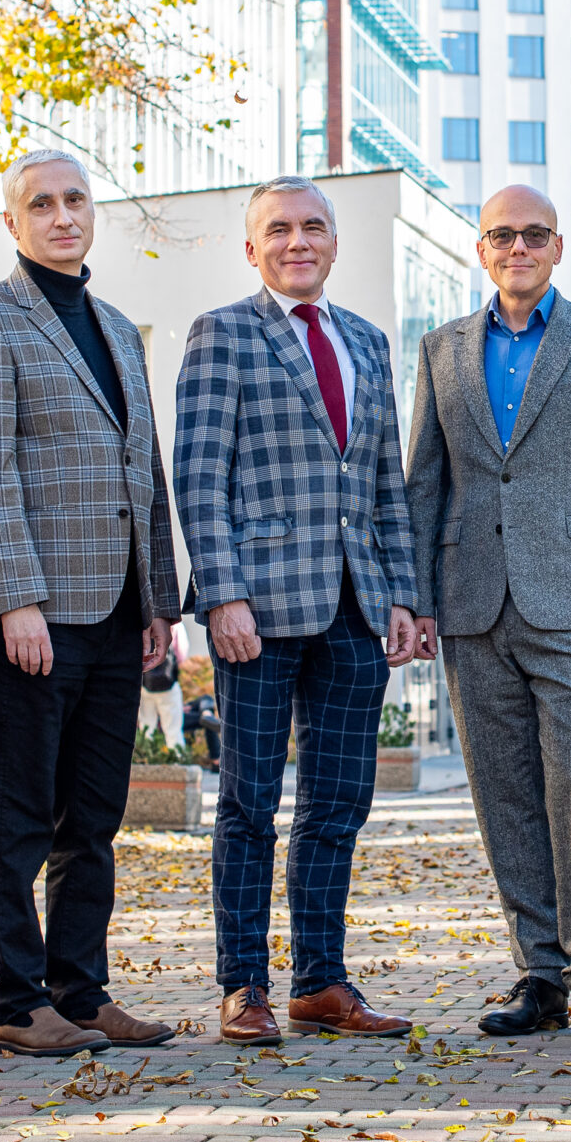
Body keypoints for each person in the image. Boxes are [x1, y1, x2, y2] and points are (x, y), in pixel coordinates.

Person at [173, 177, 423, 1046]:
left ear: (333, 241)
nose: (297, 240)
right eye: (277, 229)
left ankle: (321, 980)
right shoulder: (223, 333)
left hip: (356, 606)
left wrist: (405, 593)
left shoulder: (367, 341)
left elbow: (386, 481)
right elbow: (200, 479)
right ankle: (245, 984)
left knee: (338, 801)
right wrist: (223, 592)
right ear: (253, 249)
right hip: (260, 608)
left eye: (313, 225)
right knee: (249, 802)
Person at [405, 186, 571, 1043]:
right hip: (473, 601)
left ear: (558, 244)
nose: (518, 246)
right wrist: (419, 597)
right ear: (481, 248)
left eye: (534, 234)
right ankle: (539, 972)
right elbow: (424, 484)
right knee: (503, 789)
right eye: (503, 235)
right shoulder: (441, 350)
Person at [0, 151, 181, 1058]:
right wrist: (15, 599)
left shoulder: (119, 327)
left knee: (93, 814)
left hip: (118, 610)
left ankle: (80, 992)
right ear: (13, 223)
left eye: (75, 199)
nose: (61, 215)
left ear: (94, 213)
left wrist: (157, 594)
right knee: (18, 810)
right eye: (39, 204)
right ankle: (16, 1001)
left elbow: (142, 471)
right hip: (35, 615)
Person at [138, 623, 187, 755]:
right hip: (168, 684)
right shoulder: (174, 626)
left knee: (147, 728)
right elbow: (181, 654)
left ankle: (147, 760)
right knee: (173, 730)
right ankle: (177, 761)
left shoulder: (143, 622)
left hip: (145, 683)